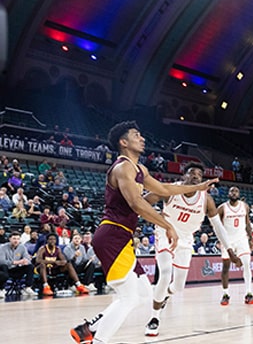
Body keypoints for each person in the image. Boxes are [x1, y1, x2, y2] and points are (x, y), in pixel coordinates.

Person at [70, 121, 218, 344]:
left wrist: (198, 188)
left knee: (144, 293)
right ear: (124, 142)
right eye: (136, 135)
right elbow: (137, 204)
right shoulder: (123, 167)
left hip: (123, 237)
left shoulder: (140, 169)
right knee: (129, 298)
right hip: (112, 234)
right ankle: (98, 340)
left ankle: (88, 329)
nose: (142, 138)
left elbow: (166, 189)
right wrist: (168, 225)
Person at [143, 162, 236, 337]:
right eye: (192, 173)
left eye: (200, 175)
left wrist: (229, 248)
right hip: (166, 232)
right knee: (164, 273)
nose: (196, 177)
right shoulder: (170, 190)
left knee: (178, 287)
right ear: (183, 176)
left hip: (186, 239)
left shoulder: (206, 199)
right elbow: (143, 203)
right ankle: (154, 318)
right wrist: (156, 218)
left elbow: (218, 226)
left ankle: (164, 297)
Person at [217, 186, 253, 306]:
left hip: (241, 239)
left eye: (236, 191)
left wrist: (250, 239)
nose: (234, 193)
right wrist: (220, 240)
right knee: (225, 267)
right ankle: (225, 294)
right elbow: (217, 226)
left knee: (246, 265)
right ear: (228, 194)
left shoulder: (244, 206)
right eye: (231, 191)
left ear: (239, 194)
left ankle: (249, 293)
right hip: (227, 241)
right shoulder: (222, 208)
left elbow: (247, 223)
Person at [0, 231, 37, 298]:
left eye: (18, 239)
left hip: (17, 269)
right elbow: (2, 261)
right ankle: (2, 289)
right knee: (3, 266)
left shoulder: (22, 247)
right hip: (6, 270)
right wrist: (16, 262)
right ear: (10, 239)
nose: (16, 241)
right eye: (14, 239)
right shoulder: (3, 247)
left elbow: (28, 258)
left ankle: (27, 287)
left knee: (30, 266)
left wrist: (25, 261)